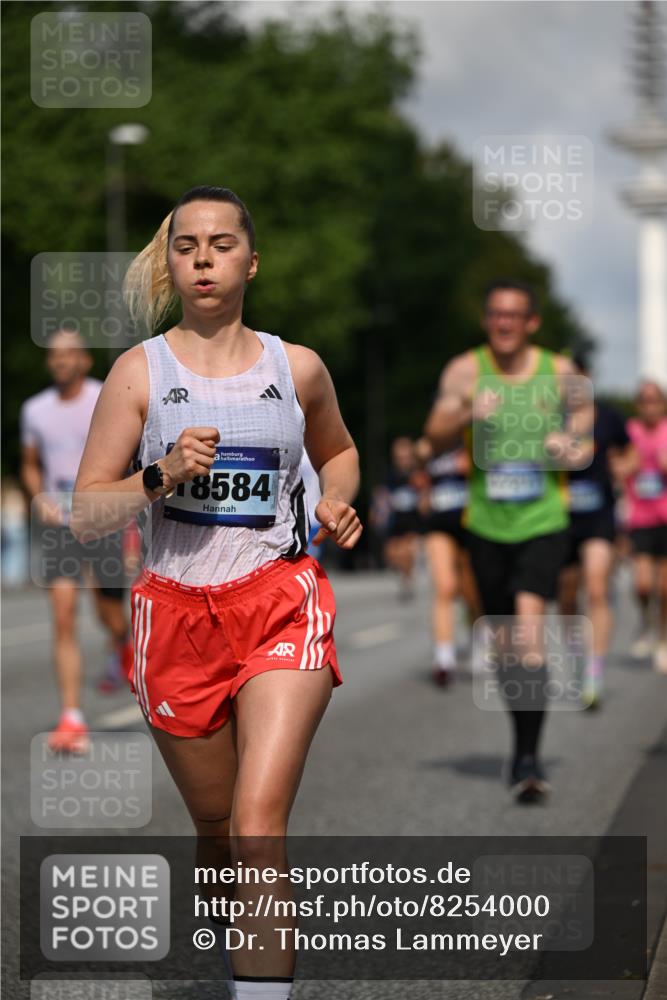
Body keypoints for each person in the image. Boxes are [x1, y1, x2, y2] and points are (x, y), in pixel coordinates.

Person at [71, 186, 362, 1000]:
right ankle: (229, 933)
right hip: (174, 616)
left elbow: (338, 452)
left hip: (278, 599)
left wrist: (337, 499)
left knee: (257, 825)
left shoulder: (294, 366)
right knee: (216, 828)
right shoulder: (140, 372)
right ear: (171, 262)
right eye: (187, 244)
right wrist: (161, 474)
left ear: (251, 260)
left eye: (221, 243)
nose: (203, 258)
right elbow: (89, 512)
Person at [425, 279, 578, 804]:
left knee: (529, 628)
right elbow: (433, 436)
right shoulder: (465, 370)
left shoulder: (560, 372)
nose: (504, 324)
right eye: (495, 315)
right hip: (485, 523)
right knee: (503, 642)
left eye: (514, 315)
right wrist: (468, 412)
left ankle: (529, 759)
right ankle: (523, 741)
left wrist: (568, 445)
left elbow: (587, 439)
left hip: (543, 519)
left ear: (532, 322)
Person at [20, 328, 131, 754]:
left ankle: (121, 644)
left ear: (84, 360)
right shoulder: (35, 410)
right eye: (55, 355)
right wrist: (39, 495)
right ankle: (72, 717)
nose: (62, 361)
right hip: (59, 527)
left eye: (70, 354)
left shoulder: (105, 397)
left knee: (110, 615)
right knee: (63, 616)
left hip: (102, 522)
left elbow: (124, 455)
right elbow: (30, 464)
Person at [557, 357, 635, 707]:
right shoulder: (549, 417)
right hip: (559, 519)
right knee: (567, 597)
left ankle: (594, 673)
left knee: (597, 587)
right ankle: (576, 657)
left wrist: (624, 467)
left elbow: (629, 452)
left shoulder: (609, 416)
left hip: (599, 517)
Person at [414, 436, 480, 685]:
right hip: (439, 522)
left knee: (473, 592)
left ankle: (478, 641)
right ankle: (444, 658)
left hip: (472, 521)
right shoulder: (429, 445)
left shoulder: (473, 438)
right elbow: (420, 476)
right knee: (445, 587)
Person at [619, 380, 667, 673]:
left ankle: (663, 638)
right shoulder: (629, 432)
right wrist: (628, 465)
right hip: (639, 517)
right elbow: (617, 466)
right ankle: (646, 623)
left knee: (665, 588)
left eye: (655, 400)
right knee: (642, 584)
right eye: (644, 401)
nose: (650, 406)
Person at [381, 436, 424, 600]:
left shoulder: (417, 475)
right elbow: (384, 496)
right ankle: (406, 574)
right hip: (395, 522)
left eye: (406, 457)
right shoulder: (390, 475)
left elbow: (425, 497)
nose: (403, 460)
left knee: (407, 553)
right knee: (391, 555)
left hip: (412, 522)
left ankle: (408, 578)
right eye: (400, 457)